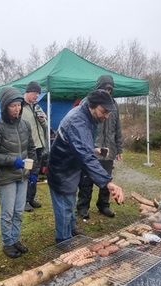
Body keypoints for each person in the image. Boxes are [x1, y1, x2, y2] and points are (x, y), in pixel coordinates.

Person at [47, 90, 125, 243]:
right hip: (61, 171)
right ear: (92, 106)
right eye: (104, 111)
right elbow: (87, 158)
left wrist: (93, 148)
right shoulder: (78, 121)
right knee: (64, 205)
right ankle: (63, 241)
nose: (107, 116)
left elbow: (79, 142)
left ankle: (71, 228)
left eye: (109, 112)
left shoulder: (86, 115)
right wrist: (107, 182)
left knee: (69, 201)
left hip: (71, 168)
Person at [0, 87, 38, 258]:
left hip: (23, 175)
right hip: (6, 176)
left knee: (19, 211)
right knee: (7, 213)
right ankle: (7, 243)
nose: (17, 108)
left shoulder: (25, 124)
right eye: (13, 105)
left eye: (19, 105)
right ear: (4, 107)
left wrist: (34, 171)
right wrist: (11, 160)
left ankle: (15, 239)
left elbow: (31, 148)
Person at [77, 75, 122, 219]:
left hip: (109, 149)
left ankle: (104, 205)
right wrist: (90, 146)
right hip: (92, 148)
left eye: (110, 89)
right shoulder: (88, 103)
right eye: (105, 88)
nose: (107, 91)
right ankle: (83, 207)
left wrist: (119, 148)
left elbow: (118, 128)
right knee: (87, 180)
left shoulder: (114, 105)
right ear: (99, 87)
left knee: (106, 178)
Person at [21, 81, 48, 212]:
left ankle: (31, 198)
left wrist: (43, 120)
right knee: (26, 173)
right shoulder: (20, 106)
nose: (37, 95)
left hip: (39, 146)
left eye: (38, 93)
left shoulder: (37, 107)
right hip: (26, 147)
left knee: (35, 173)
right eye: (35, 93)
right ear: (28, 92)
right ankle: (24, 201)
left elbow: (46, 125)